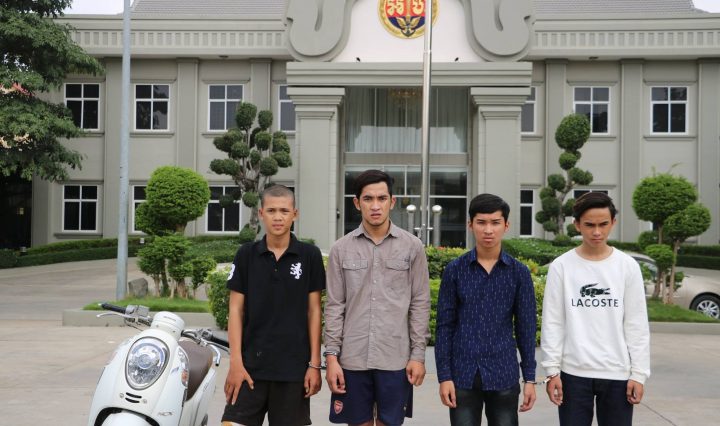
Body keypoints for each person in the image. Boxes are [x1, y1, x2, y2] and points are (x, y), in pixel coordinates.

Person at [324, 169, 431, 426]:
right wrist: (331, 358)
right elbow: (335, 306)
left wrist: (418, 355)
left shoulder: (412, 247)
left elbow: (420, 303)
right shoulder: (341, 249)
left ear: (392, 202)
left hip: (395, 358)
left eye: (381, 198)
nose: (375, 206)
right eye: (368, 199)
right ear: (356, 203)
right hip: (352, 358)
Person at [541, 192, 651, 426]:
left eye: (603, 224)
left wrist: (639, 374)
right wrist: (552, 371)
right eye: (590, 225)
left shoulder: (627, 266)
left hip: (617, 374)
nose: (597, 232)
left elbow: (636, 324)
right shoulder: (562, 266)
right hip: (573, 373)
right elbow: (553, 321)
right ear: (577, 224)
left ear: (613, 223)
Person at [221, 184, 325, 426]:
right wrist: (235, 362)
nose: (278, 217)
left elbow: (314, 311)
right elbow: (235, 310)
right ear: (261, 214)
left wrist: (314, 365)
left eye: (284, 211)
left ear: (295, 214)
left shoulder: (309, 255)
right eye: (271, 210)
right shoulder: (246, 254)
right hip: (249, 368)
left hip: (293, 371)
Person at [435, 193, 537, 426]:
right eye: (481, 222)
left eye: (495, 223)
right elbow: (444, 326)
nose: (488, 230)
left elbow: (526, 328)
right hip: (463, 374)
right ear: (470, 225)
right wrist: (444, 376)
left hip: (503, 372)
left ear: (506, 225)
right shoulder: (455, 270)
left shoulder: (519, 273)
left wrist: (529, 378)